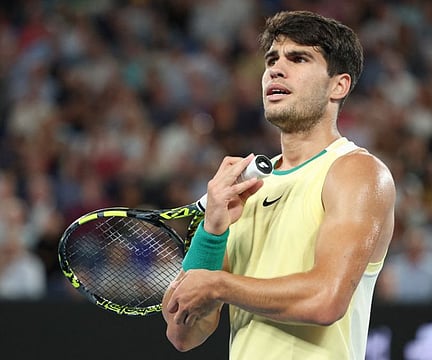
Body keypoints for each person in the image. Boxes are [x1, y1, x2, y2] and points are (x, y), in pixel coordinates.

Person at [162, 10, 396, 359]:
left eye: (298, 58)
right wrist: (211, 232)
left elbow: (325, 300)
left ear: (339, 85)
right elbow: (184, 333)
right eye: (272, 59)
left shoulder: (356, 172)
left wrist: (220, 285)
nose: (275, 69)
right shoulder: (247, 186)